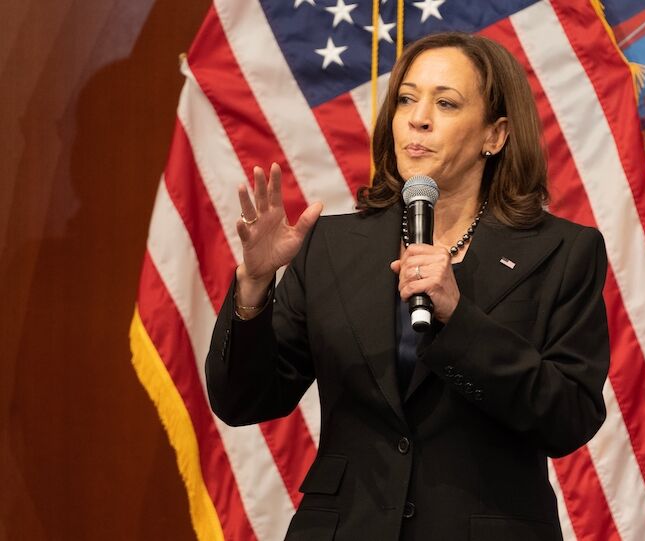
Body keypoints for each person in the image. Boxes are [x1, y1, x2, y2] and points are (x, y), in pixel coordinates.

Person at [206, 32, 610, 541]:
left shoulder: (561, 252)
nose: (418, 118)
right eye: (406, 99)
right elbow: (244, 401)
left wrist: (459, 320)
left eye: (445, 103)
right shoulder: (331, 245)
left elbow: (569, 418)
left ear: (496, 135)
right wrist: (254, 289)